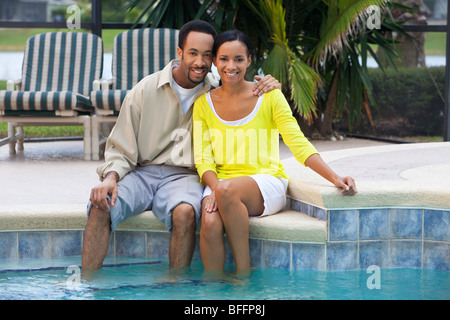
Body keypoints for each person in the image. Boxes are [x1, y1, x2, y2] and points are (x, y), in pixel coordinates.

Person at [81, 21, 281, 272]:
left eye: (207, 55)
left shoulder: (217, 94)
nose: (200, 62)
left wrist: (271, 84)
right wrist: (110, 178)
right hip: (142, 173)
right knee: (101, 204)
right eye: (193, 53)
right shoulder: (146, 89)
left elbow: (243, 84)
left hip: (185, 176)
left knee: (186, 213)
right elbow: (122, 146)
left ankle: (176, 289)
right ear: (180, 53)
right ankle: (86, 287)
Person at [193, 30, 357, 276]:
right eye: (224, 59)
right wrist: (215, 188)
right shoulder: (203, 104)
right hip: (221, 182)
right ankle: (212, 291)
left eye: (239, 59)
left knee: (226, 192)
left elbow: (297, 142)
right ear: (215, 61)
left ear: (249, 61)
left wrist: (334, 177)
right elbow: (203, 159)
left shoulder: (270, 96)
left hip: (266, 181)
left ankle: (243, 277)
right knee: (209, 221)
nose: (231, 66)